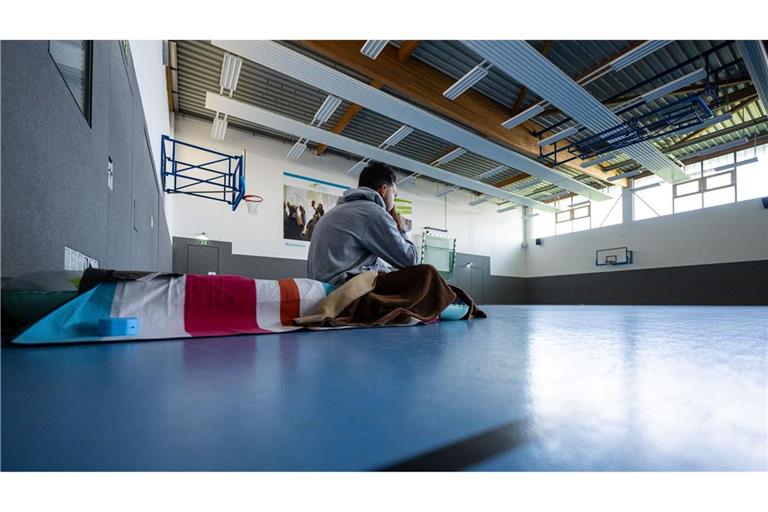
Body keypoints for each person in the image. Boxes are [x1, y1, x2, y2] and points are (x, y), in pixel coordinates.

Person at [307, 162, 419, 285]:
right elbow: (410, 260)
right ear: (384, 190)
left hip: (323, 286)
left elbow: (369, 263)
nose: (394, 203)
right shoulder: (374, 213)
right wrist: (401, 230)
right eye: (394, 195)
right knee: (427, 274)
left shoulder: (334, 212)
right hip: (343, 290)